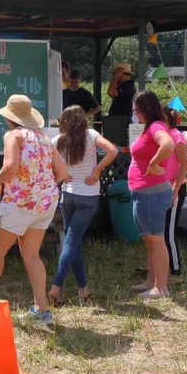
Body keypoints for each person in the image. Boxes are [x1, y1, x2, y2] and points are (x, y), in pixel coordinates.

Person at [0, 95, 68, 325]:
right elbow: (63, 173)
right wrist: (42, 187)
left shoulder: (13, 135)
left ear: (10, 118)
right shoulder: (45, 138)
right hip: (45, 203)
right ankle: (41, 310)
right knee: (31, 255)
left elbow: (10, 167)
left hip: (19, 203)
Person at [48, 105, 118, 304]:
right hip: (88, 196)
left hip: (68, 195)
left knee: (74, 242)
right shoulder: (91, 134)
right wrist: (97, 171)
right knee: (71, 242)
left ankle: (83, 290)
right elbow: (113, 150)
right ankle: (55, 289)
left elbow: (45, 157)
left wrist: (61, 172)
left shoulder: (59, 140)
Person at [129, 91, 174, 299]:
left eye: (137, 110)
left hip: (152, 193)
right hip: (145, 193)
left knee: (156, 239)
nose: (135, 114)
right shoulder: (150, 127)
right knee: (150, 240)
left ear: (146, 109)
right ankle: (151, 281)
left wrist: (154, 163)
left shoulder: (156, 126)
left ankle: (161, 287)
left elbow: (168, 145)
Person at [162, 106, 187, 279]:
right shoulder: (161, 137)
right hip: (161, 187)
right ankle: (162, 264)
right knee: (160, 230)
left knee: (168, 232)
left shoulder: (176, 136)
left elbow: (184, 165)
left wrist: (175, 189)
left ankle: (175, 269)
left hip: (175, 188)